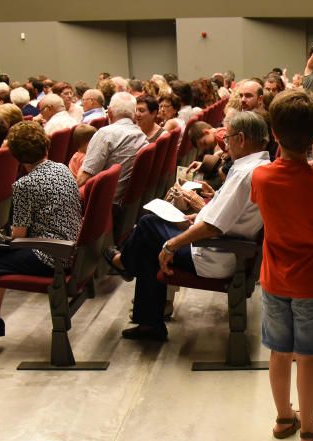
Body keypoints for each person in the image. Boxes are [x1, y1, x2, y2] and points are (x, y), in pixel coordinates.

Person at [104, 111, 272, 341]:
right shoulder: (259, 164)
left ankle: (126, 265)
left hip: (217, 253)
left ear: (241, 139)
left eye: (228, 137)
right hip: (225, 247)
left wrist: (172, 245)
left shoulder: (245, 172)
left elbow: (214, 227)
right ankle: (148, 320)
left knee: (148, 226)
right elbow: (227, 215)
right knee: (150, 233)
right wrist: (200, 213)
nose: (225, 143)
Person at [250, 90, 313, 441]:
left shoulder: (261, 177)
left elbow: (266, 207)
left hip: (275, 279)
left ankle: (282, 418)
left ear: (274, 133)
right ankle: (308, 432)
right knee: (307, 357)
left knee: (279, 352)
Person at [0, 121, 81, 338]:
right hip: (71, 248)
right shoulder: (62, 168)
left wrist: (3, 239)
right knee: (0, 255)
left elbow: (19, 236)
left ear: (17, 157)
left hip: (51, 256)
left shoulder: (24, 185)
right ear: (45, 146)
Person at [77, 92, 147, 204]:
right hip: (125, 201)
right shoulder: (141, 135)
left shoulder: (105, 133)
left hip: (103, 202)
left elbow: (83, 178)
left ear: (109, 112)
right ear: (134, 114)